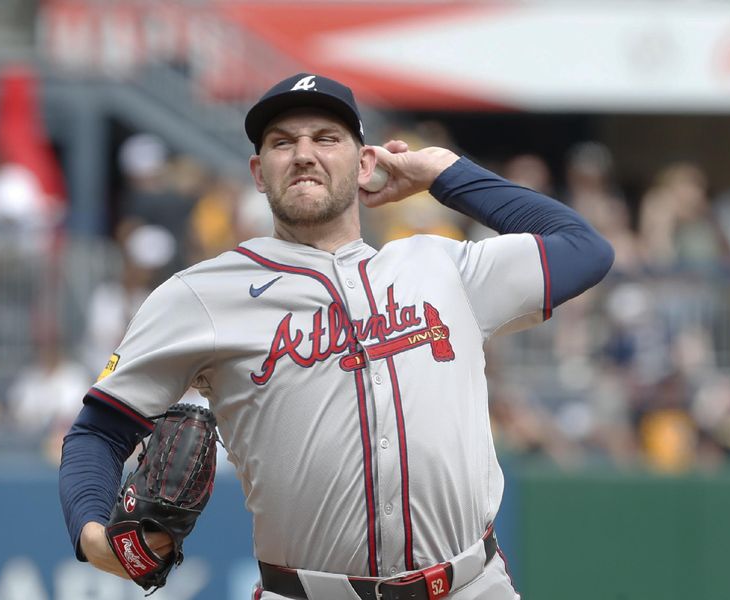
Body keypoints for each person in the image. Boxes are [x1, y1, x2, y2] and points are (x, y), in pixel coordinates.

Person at [59, 73, 614, 599]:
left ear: (365, 160)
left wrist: (444, 172)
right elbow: (98, 431)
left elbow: (585, 249)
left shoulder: (444, 266)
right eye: (283, 142)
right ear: (258, 171)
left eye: (327, 137)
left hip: (470, 585)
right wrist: (91, 536)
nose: (304, 153)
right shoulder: (201, 294)